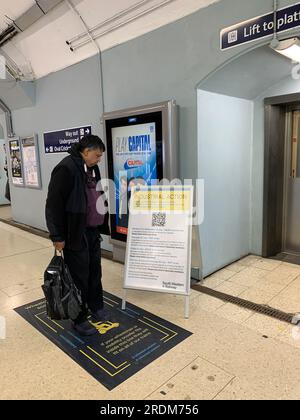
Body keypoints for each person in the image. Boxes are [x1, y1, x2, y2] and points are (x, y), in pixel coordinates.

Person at [45, 135, 110, 336]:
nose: (99, 159)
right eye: (97, 155)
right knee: (79, 277)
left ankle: (96, 306)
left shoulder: (92, 168)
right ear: (86, 151)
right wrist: (57, 236)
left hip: (92, 232)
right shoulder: (65, 169)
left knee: (94, 272)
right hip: (75, 233)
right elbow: (53, 205)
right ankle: (79, 318)